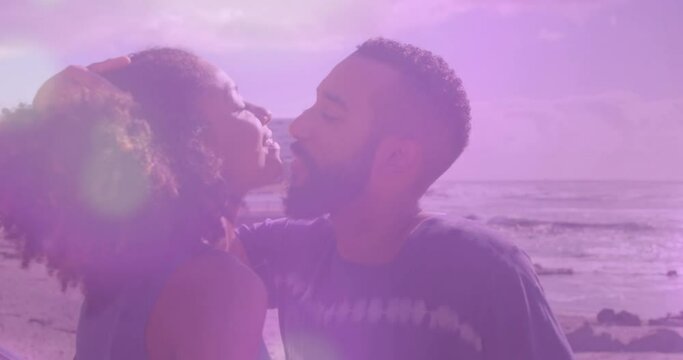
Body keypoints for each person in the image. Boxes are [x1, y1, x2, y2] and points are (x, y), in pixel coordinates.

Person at [231, 38, 575, 359]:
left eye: (330, 115)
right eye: (313, 105)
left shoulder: (483, 271)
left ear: (397, 158)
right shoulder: (289, 251)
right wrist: (230, 148)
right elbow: (192, 254)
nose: (298, 127)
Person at [0, 48, 283, 360]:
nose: (263, 112)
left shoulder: (128, 274)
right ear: (194, 143)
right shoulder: (218, 288)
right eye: (238, 105)